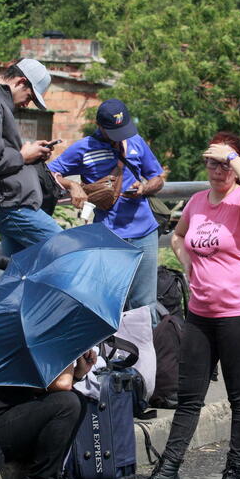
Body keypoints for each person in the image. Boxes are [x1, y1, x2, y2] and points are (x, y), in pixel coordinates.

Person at [128, 132, 240, 479]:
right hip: (201, 315)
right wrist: (188, 265)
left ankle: (234, 475)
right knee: (190, 397)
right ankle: (169, 471)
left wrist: (232, 156)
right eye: (213, 162)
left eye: (226, 163)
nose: (219, 170)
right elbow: (178, 236)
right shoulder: (196, 202)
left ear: (238, 166)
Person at [0, 59, 86, 257]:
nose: (27, 103)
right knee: (73, 254)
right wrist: (24, 155)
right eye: (30, 96)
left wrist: (29, 152)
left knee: (21, 275)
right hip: (11, 206)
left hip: (15, 204)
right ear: (20, 81)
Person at [47, 99, 164, 316]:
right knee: (110, 302)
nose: (121, 136)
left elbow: (157, 177)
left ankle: (147, 349)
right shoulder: (83, 148)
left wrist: (145, 188)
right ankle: (115, 349)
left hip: (145, 232)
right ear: (100, 126)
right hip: (109, 235)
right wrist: (72, 185)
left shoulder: (136, 142)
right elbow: (49, 172)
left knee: (146, 305)